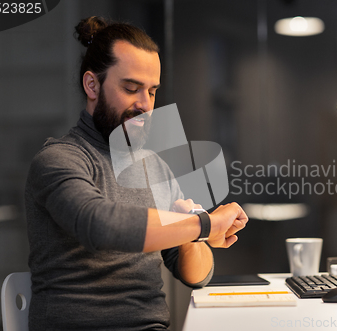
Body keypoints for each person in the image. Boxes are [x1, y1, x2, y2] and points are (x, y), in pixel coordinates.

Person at [25, 16, 248, 331]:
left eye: (153, 91)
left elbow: (197, 276)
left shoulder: (154, 166)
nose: (145, 105)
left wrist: (190, 232)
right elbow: (101, 227)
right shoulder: (58, 160)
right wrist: (204, 223)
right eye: (131, 88)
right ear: (92, 85)